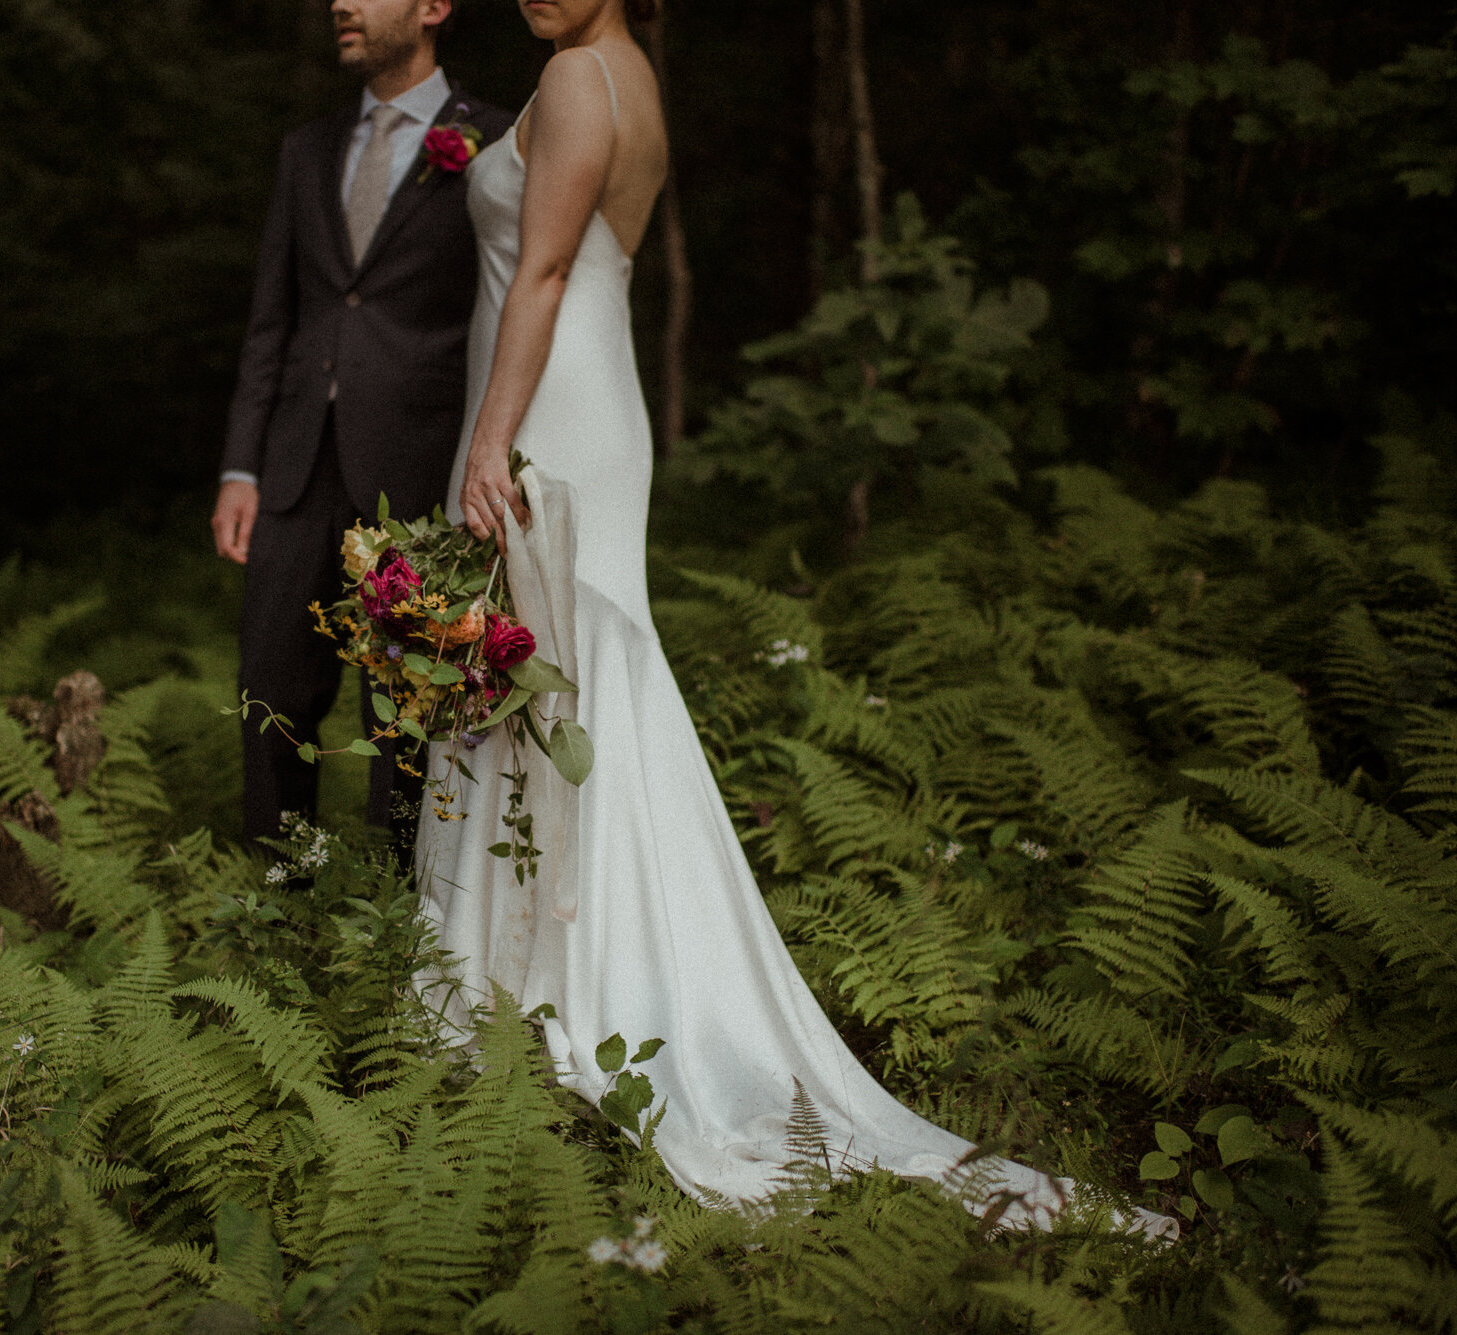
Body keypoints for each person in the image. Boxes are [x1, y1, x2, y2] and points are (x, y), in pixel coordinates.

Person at [415, 0, 1178, 1241]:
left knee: (552, 684)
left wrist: (489, 440)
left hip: (547, 407)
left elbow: (544, 270)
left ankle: (549, 989)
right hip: (582, 396)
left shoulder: (570, 83)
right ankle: (540, 979)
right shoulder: (627, 72)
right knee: (562, 688)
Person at [214, 0, 513, 849]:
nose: (341, 3)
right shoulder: (304, 151)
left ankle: (404, 913)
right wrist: (242, 465)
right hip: (295, 462)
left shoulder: (492, 141)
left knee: (411, 701)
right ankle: (281, 892)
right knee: (270, 686)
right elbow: (275, 318)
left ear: (432, 8)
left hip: (421, 464)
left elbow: (506, 307)